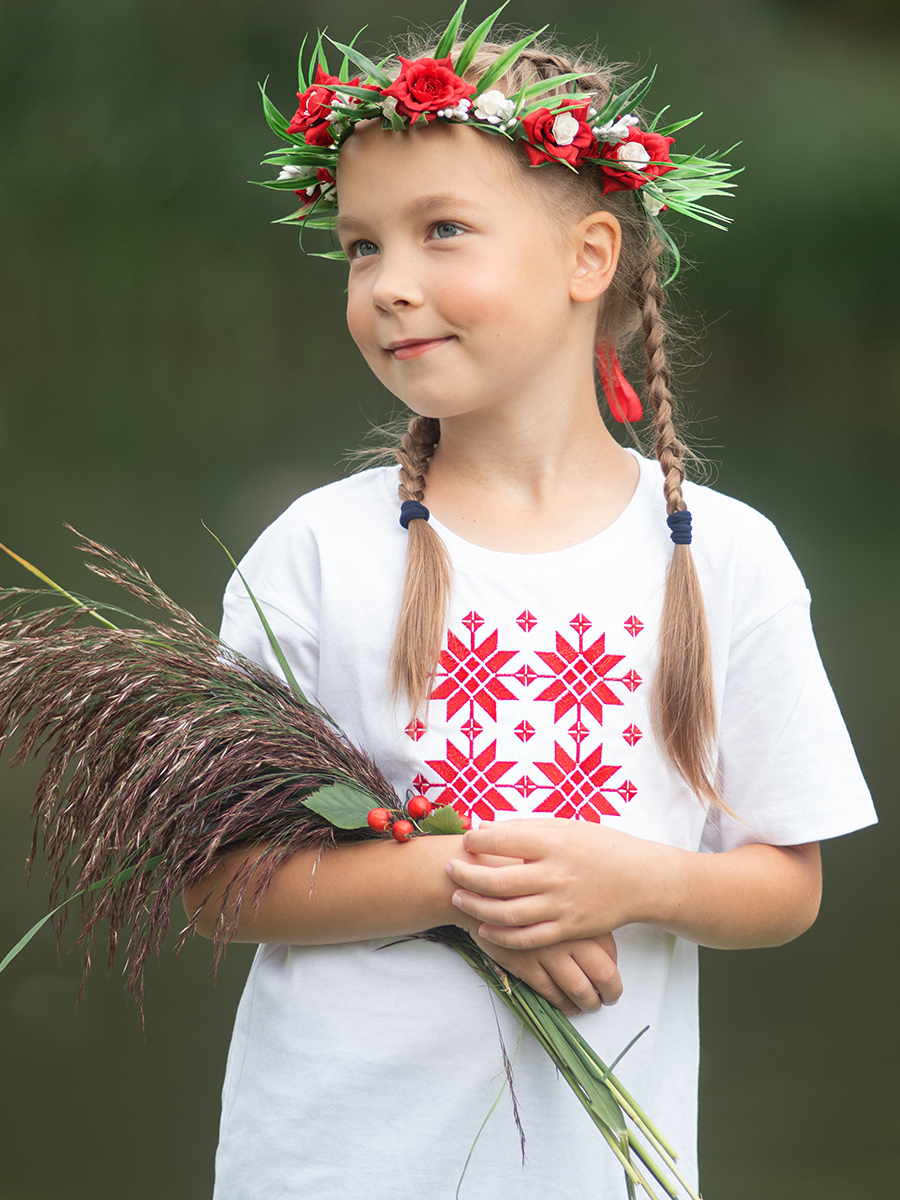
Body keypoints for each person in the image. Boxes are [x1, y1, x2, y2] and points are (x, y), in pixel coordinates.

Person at [185, 13, 876, 1198]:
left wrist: (629, 880)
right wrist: (470, 885)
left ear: (588, 258)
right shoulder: (315, 552)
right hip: (332, 1167)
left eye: (441, 231)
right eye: (361, 248)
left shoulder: (726, 558)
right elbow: (218, 883)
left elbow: (782, 885)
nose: (392, 285)